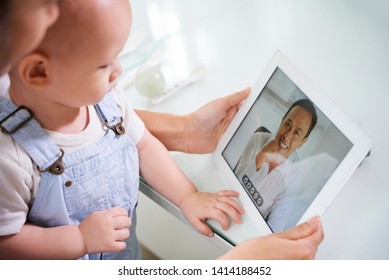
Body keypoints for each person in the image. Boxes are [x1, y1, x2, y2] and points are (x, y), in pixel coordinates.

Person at [0, 0, 323, 260]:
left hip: (120, 249)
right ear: (39, 72)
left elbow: (143, 145)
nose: (119, 71)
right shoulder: (9, 157)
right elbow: (7, 240)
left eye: (118, 56)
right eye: (104, 64)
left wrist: (187, 196)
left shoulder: (107, 99)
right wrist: (77, 239)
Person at [234, 99, 318, 223]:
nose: (287, 135)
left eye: (296, 132)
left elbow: (275, 224)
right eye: (287, 124)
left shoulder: (295, 176)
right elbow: (234, 186)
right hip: (231, 205)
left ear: (302, 142)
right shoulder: (258, 139)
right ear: (282, 120)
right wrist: (262, 155)